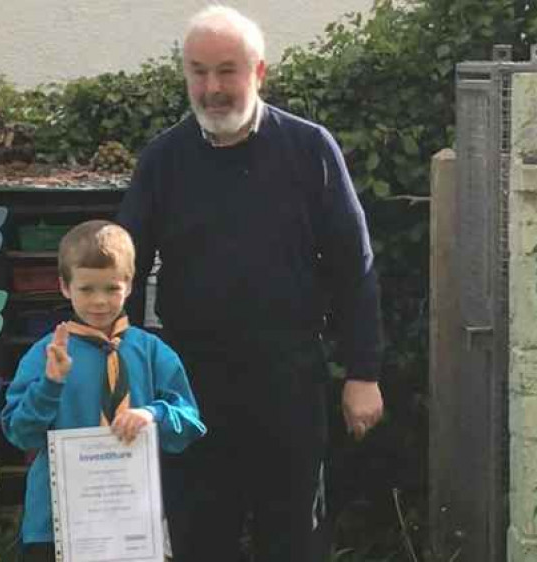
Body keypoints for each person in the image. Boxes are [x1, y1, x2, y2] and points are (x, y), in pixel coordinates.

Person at [115, 5, 385, 562]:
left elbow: (353, 267)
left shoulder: (311, 150)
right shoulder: (163, 161)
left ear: (259, 72)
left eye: (227, 70)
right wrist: (116, 374)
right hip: (189, 388)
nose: (212, 87)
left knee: (292, 542)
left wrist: (363, 372)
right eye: (198, 71)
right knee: (198, 541)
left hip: (287, 384)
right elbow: (125, 272)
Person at [0, 219, 206, 562]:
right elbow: (20, 435)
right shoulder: (46, 354)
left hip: (133, 523)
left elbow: (190, 423)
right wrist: (50, 385)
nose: (99, 301)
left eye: (111, 288)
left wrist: (151, 414)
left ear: (129, 284)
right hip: (56, 526)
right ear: (65, 287)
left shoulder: (153, 352)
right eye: (86, 289)